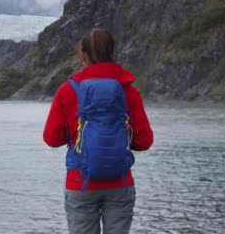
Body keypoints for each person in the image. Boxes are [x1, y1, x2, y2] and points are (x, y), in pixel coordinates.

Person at [43, 27, 153, 234]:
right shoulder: (128, 90)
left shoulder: (68, 90)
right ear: (113, 53)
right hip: (120, 180)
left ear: (83, 56)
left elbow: (51, 138)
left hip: (80, 181)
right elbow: (144, 141)